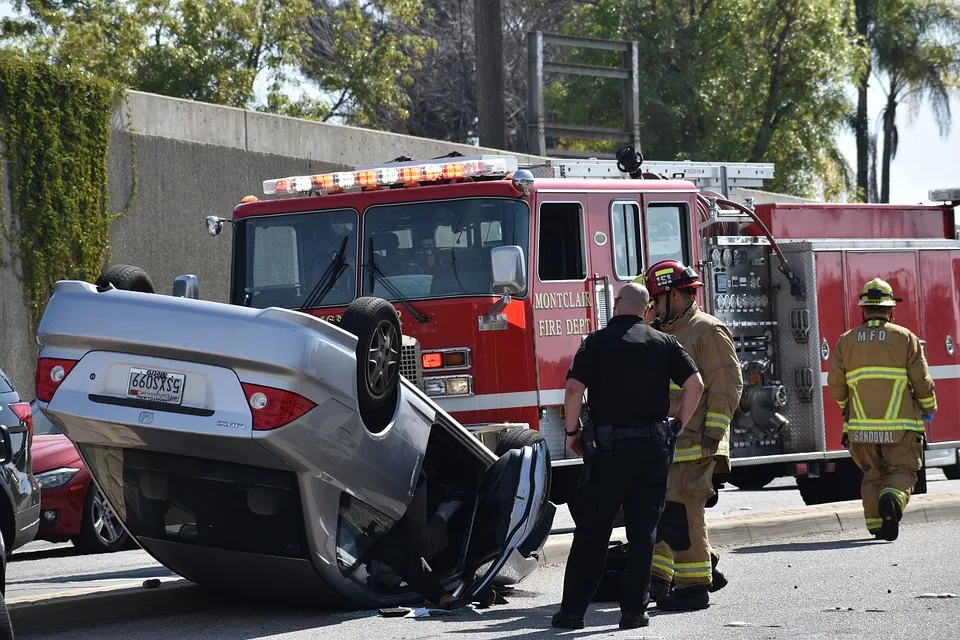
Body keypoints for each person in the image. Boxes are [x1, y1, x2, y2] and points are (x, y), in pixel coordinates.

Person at [550, 282, 704, 631]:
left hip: (609, 452)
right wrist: (678, 424)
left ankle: (572, 613)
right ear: (645, 306)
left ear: (617, 303)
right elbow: (695, 384)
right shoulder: (664, 342)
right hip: (652, 451)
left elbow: (574, 389)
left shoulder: (596, 342)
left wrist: (573, 432)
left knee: (592, 531)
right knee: (643, 533)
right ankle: (634, 612)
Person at [637, 259, 743, 612]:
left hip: (696, 438)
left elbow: (728, 383)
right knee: (665, 509)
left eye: (656, 297)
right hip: (664, 440)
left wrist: (713, 432)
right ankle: (661, 577)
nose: (652, 304)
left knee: (684, 508)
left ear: (674, 295)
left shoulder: (706, 330)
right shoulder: (663, 330)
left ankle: (694, 587)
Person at [827, 278, 936, 541]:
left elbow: (835, 386)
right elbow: (921, 382)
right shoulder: (905, 338)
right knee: (903, 470)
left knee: (873, 473)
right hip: (900, 427)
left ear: (863, 310)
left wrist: (847, 408)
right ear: (891, 310)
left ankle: (877, 525)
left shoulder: (846, 341)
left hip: (861, 429)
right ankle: (892, 499)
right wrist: (928, 407)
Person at [365, 469, 468, 608]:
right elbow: (409, 561)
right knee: (421, 546)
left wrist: (439, 595)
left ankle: (447, 505)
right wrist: (439, 595)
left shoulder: (383, 554)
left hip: (403, 476)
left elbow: (407, 561)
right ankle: (446, 503)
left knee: (421, 546)